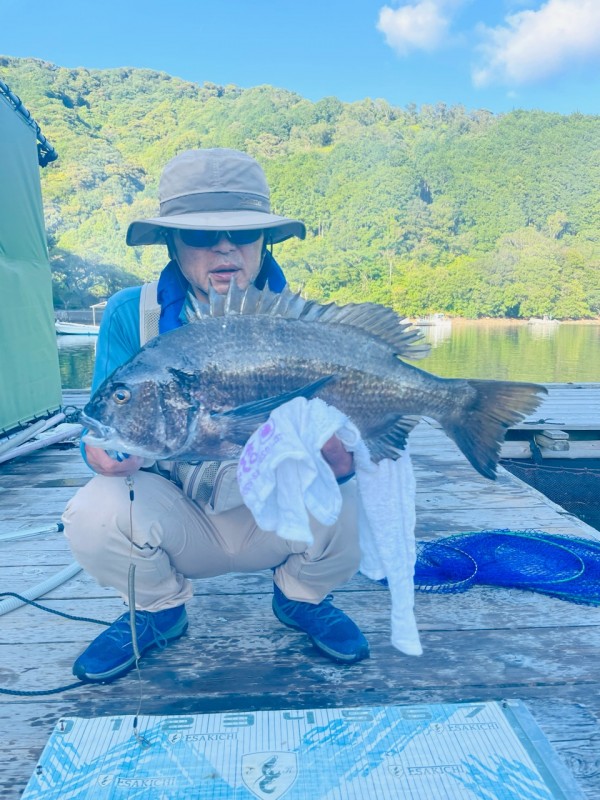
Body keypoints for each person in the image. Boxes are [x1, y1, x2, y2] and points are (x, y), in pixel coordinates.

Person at [62, 148, 369, 683]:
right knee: (93, 510)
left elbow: (347, 462)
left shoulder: (303, 324)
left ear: (263, 243)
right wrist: (100, 454)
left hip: (273, 515)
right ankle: (158, 609)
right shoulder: (129, 315)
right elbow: (105, 420)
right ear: (173, 245)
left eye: (245, 233)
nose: (226, 246)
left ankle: (301, 597)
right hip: (183, 516)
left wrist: (341, 460)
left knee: (358, 490)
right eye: (202, 235)